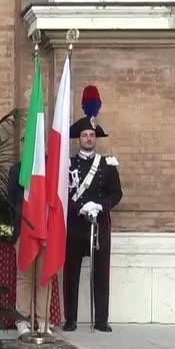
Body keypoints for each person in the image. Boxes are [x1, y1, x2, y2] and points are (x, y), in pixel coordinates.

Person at [62, 86, 123, 333]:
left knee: (101, 273)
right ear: (79, 138)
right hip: (76, 224)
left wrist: (101, 205)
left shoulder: (107, 165)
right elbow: (63, 193)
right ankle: (71, 319)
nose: (89, 138)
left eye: (92, 135)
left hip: (99, 226)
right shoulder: (69, 164)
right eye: (85, 134)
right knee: (71, 274)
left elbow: (116, 193)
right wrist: (80, 207)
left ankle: (101, 319)